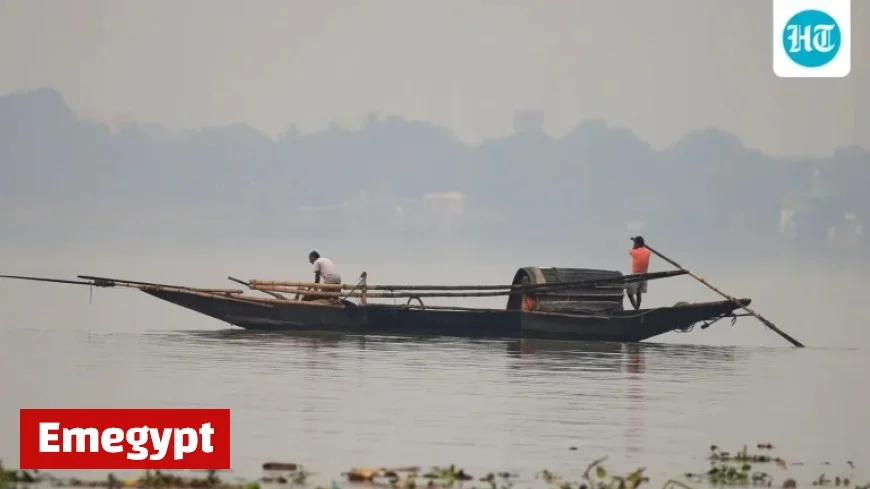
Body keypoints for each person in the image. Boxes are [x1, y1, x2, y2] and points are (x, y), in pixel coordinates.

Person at [626, 236, 651, 310]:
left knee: (629, 293)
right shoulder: (648, 251)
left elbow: (631, 251)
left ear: (637, 244)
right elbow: (645, 251)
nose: (633, 245)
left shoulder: (634, 251)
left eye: (634, 243)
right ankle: (637, 307)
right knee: (638, 293)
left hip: (635, 276)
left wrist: (634, 246)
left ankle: (636, 308)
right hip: (644, 276)